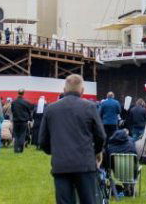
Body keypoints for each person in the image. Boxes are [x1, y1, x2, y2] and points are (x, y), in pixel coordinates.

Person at [39, 74, 107, 204]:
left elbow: (42, 140)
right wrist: (95, 152)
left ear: (64, 90)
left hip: (61, 164)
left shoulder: (51, 109)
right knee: (88, 200)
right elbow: (101, 136)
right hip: (85, 163)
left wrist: (55, 152)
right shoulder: (90, 107)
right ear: (82, 91)